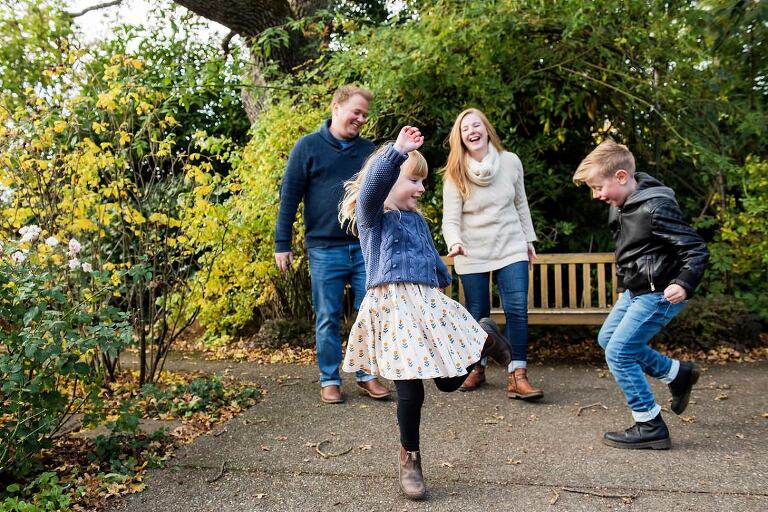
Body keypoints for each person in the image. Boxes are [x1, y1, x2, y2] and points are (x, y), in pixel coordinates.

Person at [339, 126, 512, 499]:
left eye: (422, 182)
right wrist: (396, 151)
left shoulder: (416, 220)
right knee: (409, 391)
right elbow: (370, 188)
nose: (421, 189)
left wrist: (443, 279)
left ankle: (483, 339)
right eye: (413, 180)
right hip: (392, 310)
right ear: (389, 179)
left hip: (427, 306)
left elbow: (431, 257)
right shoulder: (374, 218)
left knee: (450, 381)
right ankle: (410, 459)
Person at [572, 138, 708, 450]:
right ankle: (677, 374)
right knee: (608, 340)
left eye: (598, 188)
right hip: (635, 291)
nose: (597, 195)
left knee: (619, 352)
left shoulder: (656, 207)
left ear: (621, 177)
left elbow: (695, 249)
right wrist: (622, 290)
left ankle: (650, 424)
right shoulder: (620, 207)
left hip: (661, 293)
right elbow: (626, 254)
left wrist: (684, 283)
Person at [274, 85, 391, 404]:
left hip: (365, 247)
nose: (362, 119)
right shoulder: (308, 147)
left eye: (365, 114)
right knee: (327, 315)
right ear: (336, 107)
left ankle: (367, 375)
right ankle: (329, 379)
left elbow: (383, 197)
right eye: (357, 111)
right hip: (324, 249)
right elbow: (290, 197)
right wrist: (282, 242)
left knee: (369, 313)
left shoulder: (369, 151)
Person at [442, 108, 543, 399]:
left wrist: (529, 240)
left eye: (477, 125)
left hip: (510, 245)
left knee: (517, 311)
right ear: (459, 138)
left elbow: (521, 204)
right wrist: (454, 241)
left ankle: (517, 375)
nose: (472, 131)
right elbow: (451, 218)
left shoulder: (510, 162)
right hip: (471, 249)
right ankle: (477, 368)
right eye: (465, 129)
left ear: (487, 130)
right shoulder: (455, 172)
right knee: (477, 314)